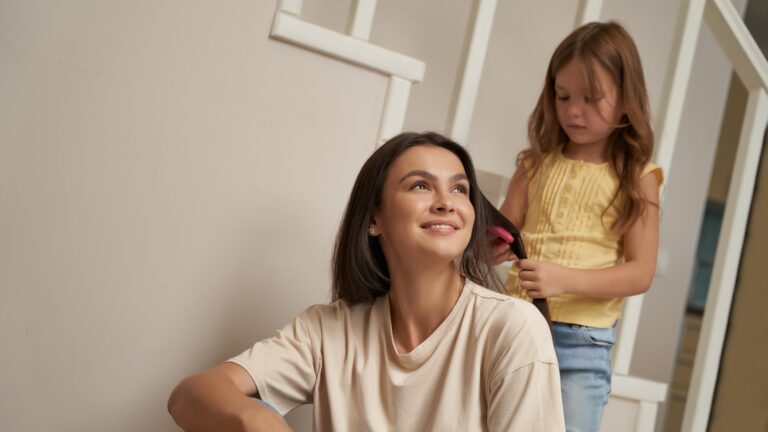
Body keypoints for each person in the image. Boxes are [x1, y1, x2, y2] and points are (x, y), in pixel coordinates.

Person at [168, 132, 565, 431]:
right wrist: (258, 421)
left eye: (459, 189)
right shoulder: (327, 331)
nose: (446, 201)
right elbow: (189, 396)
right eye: (421, 185)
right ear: (374, 218)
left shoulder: (512, 328)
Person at [493, 22, 663, 432]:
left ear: (626, 102)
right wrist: (490, 244)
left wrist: (561, 278)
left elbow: (640, 273)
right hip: (515, 326)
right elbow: (503, 231)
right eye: (563, 95)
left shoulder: (639, 176)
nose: (572, 110)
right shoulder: (532, 165)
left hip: (582, 346)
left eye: (591, 99)